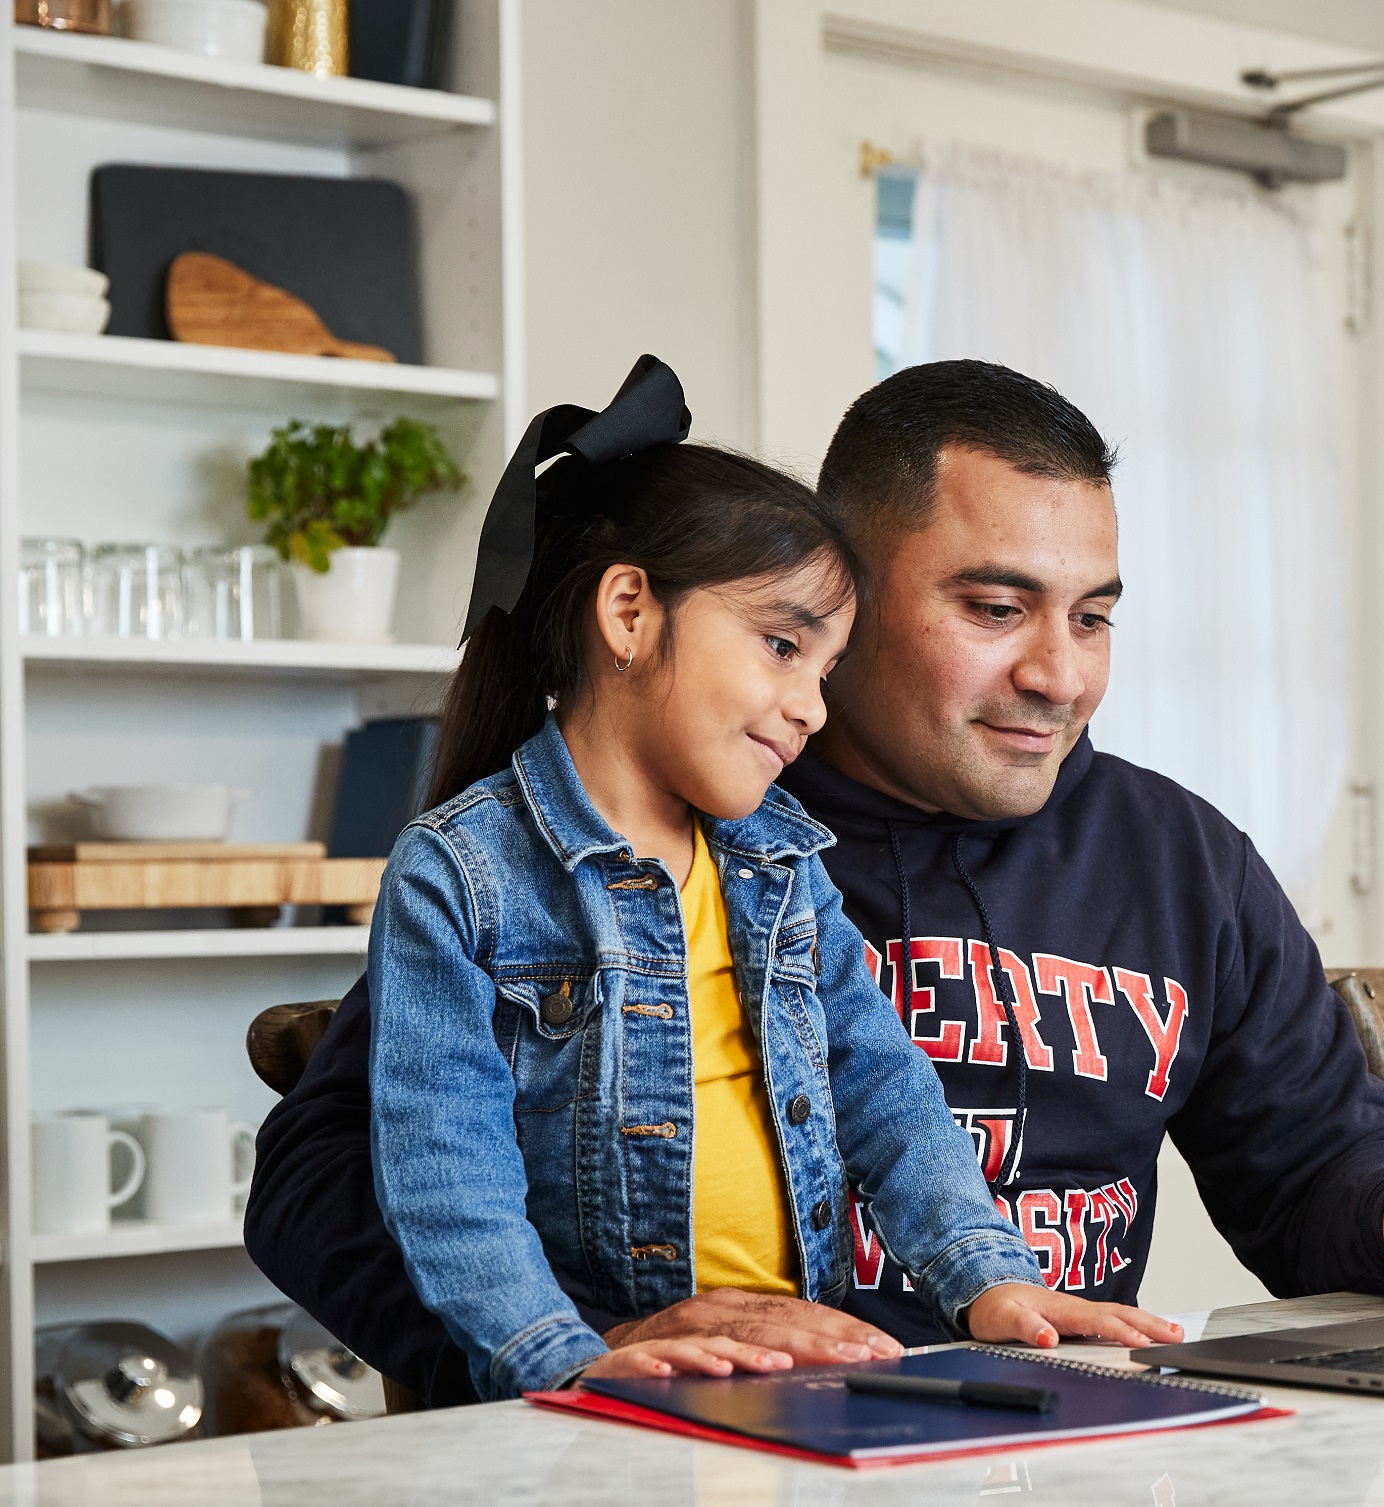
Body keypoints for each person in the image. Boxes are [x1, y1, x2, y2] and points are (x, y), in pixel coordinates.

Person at [248, 359, 1384, 1403]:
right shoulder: (662, 837)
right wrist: (591, 1344)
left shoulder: (1178, 860)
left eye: (1093, 618)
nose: (1060, 676)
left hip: (1049, 1471)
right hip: (722, 1456)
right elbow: (325, 1183)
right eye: (996, 608)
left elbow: (1309, 1157)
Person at [358, 356, 1175, 1399]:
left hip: (803, 1384)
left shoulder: (779, 861)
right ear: (629, 612)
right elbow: (447, 1175)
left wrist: (987, 1279)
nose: (811, 707)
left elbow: (887, 1091)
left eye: (823, 669)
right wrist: (563, 1356)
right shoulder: (461, 875)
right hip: (611, 1398)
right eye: (782, 646)